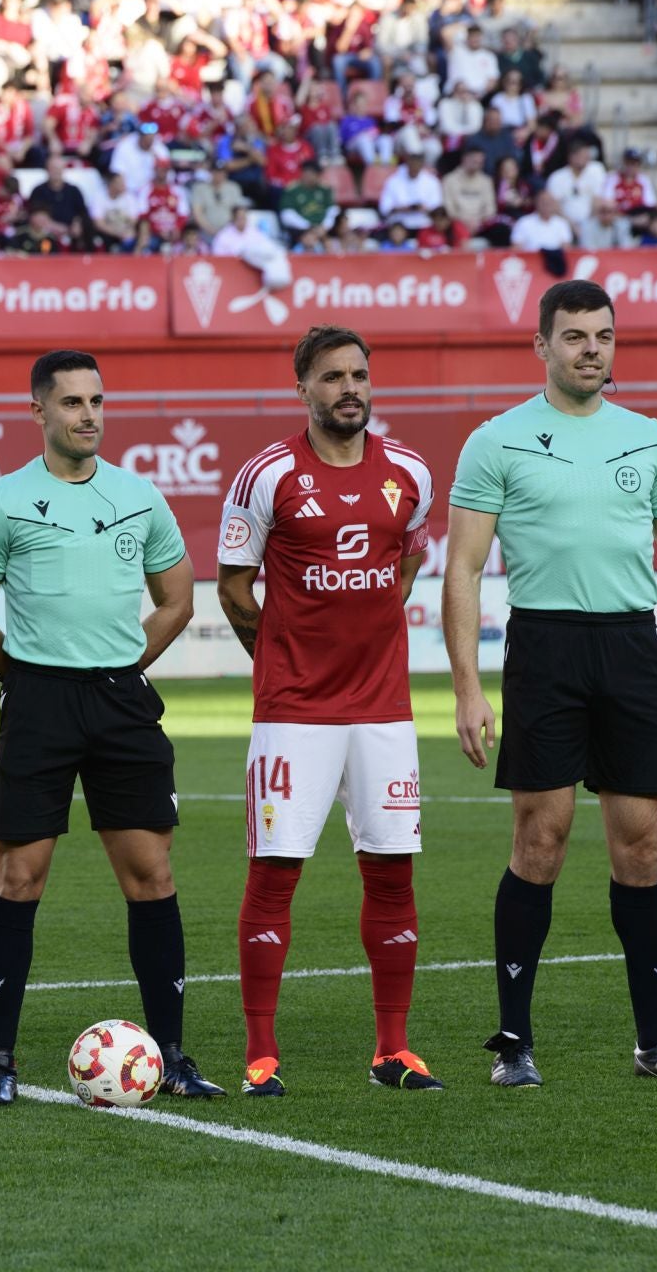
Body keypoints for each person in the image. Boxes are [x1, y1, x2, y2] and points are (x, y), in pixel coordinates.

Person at [442, 279, 657, 1088]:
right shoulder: (496, 441)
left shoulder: (649, 440)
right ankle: (514, 1043)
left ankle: (654, 1044)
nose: (591, 349)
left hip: (631, 650)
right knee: (542, 839)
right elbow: (462, 570)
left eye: (603, 335)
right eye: (574, 336)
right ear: (542, 347)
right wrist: (468, 688)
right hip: (545, 649)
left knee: (642, 843)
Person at [0, 349, 222, 1107]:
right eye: (71, 403)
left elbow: (176, 599)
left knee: (151, 875)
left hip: (120, 706)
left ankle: (170, 1055)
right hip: (38, 705)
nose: (88, 414)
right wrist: (23, 677)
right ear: (39, 412)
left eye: (97, 400)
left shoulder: (140, 497)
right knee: (19, 876)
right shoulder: (4, 502)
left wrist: (127, 664)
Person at [215, 325, 439, 1096]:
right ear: (303, 388)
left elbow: (409, 557)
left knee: (392, 872)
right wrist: (283, 661)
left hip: (384, 710)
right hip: (294, 712)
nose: (351, 389)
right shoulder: (266, 474)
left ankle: (393, 1050)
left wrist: (370, 629)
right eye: (333, 377)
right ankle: (261, 1055)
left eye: (360, 375)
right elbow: (234, 588)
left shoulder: (409, 471)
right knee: (275, 873)